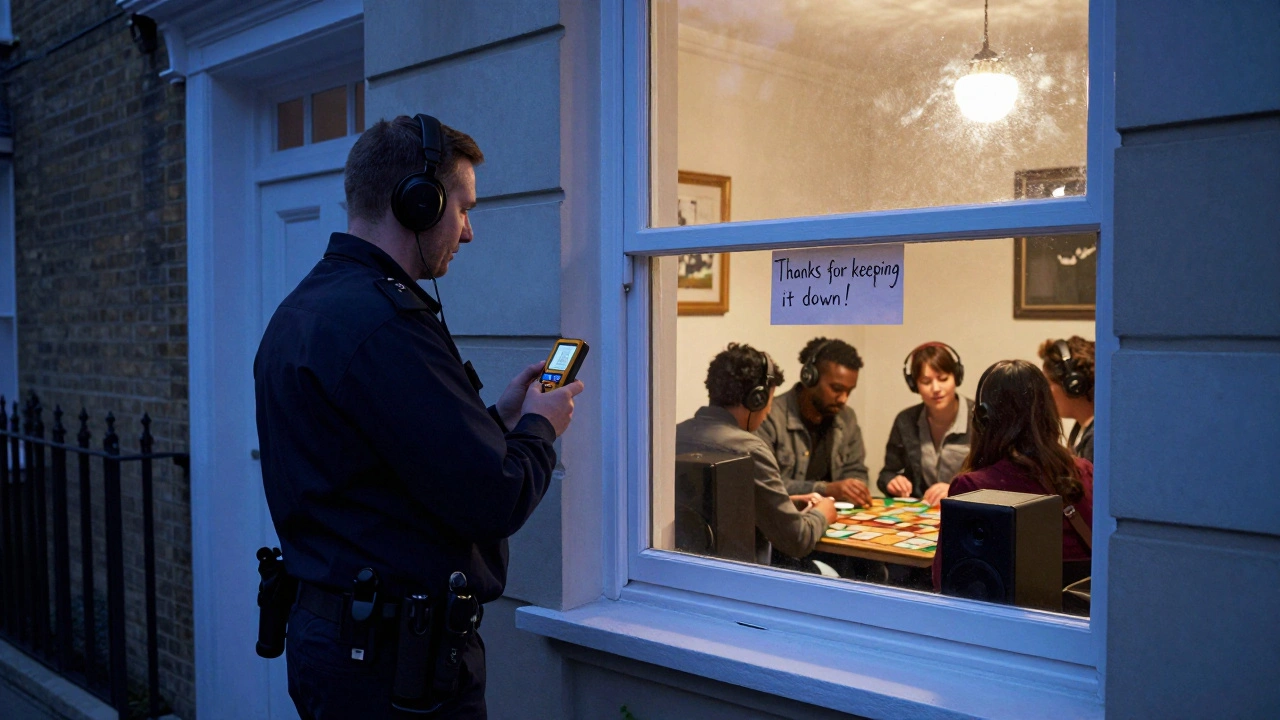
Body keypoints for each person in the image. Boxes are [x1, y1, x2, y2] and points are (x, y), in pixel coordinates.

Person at [254, 114, 583, 719]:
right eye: (462, 208)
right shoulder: (384, 326)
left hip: (336, 647)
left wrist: (500, 419)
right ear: (417, 202)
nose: (468, 231)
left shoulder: (304, 308)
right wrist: (541, 425)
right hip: (389, 670)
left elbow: (385, 463)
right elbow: (495, 497)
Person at [931, 360, 1094, 592]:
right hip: (1077, 620)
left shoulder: (975, 489)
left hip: (1009, 624)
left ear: (982, 419)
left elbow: (944, 579)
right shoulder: (1085, 471)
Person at [676, 344, 837, 567]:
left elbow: (716, 508)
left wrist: (784, 504)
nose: (769, 409)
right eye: (769, 401)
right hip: (745, 579)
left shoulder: (673, 435)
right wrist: (823, 513)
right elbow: (797, 540)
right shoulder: (750, 449)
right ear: (757, 399)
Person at [756, 337, 871, 506]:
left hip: (834, 517)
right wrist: (826, 489)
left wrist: (856, 487)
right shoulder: (769, 417)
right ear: (809, 377)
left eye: (849, 391)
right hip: (788, 520)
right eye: (837, 389)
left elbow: (856, 469)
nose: (844, 399)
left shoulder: (847, 418)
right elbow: (766, 484)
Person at [878, 342, 973, 507]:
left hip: (968, 511)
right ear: (914, 385)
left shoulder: (978, 418)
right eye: (926, 381)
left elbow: (996, 479)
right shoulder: (905, 420)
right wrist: (892, 482)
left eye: (943, 379)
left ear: (956, 377)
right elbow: (886, 473)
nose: (936, 388)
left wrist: (957, 490)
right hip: (923, 511)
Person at [1038, 336, 1096, 462]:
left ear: (1073, 385)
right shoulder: (1085, 431)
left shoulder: (1095, 441)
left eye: (1048, 384)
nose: (1045, 393)